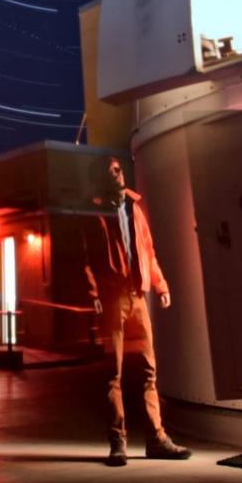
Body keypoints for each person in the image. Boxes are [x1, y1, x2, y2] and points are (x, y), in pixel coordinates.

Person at [80, 155, 192, 466]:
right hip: (113, 300)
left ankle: (156, 438)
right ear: (101, 177)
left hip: (137, 297)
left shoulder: (135, 209)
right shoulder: (94, 213)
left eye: (119, 169)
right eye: (112, 171)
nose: (118, 174)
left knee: (148, 370)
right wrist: (93, 293)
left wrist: (161, 285)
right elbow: (87, 257)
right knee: (113, 374)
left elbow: (148, 251)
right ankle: (118, 442)